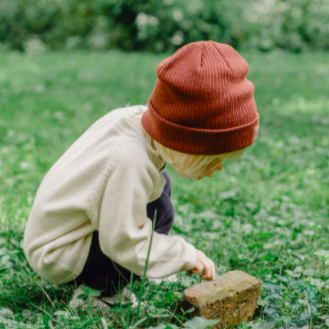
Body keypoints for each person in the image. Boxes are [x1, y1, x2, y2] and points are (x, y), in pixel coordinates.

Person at [23, 40, 260, 310]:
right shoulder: (128, 160)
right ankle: (97, 294)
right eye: (212, 159)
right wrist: (183, 255)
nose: (216, 169)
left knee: (160, 202)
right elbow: (123, 243)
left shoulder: (142, 126)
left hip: (74, 228)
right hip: (58, 250)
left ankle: (143, 263)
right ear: (185, 140)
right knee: (147, 222)